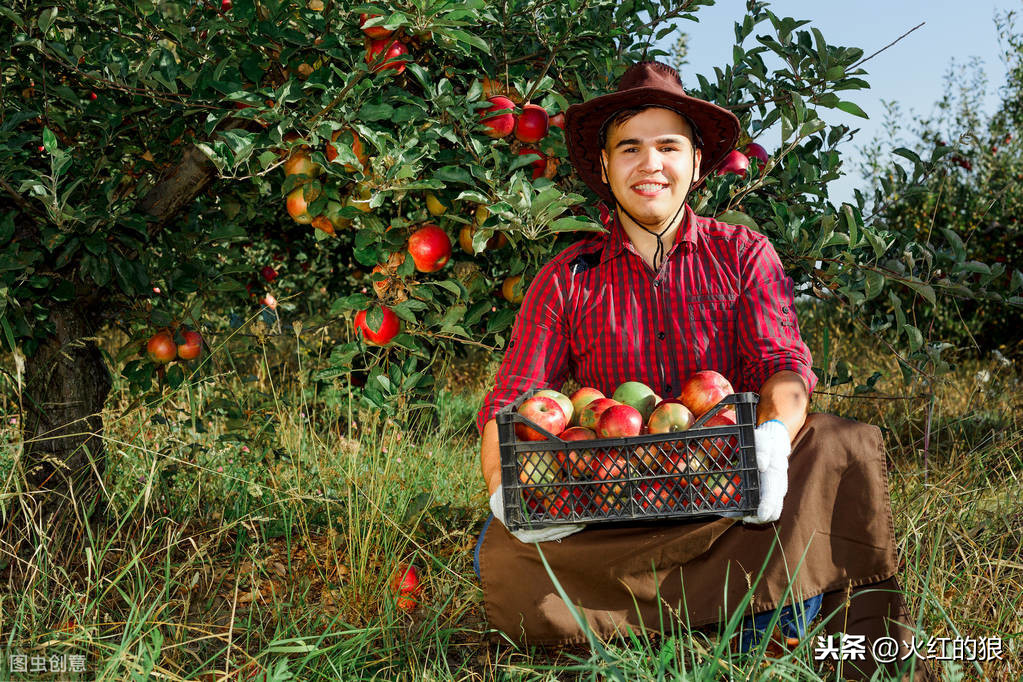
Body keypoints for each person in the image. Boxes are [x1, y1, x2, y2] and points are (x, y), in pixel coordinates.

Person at [473, 61, 936, 681]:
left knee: (835, 442)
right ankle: (730, 617)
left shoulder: (743, 255)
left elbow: (782, 365)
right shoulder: (567, 276)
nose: (650, 165)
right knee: (502, 549)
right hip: (614, 497)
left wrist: (770, 445)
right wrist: (510, 490)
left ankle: (760, 632)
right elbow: (513, 402)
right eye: (629, 148)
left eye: (668, 146)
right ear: (606, 167)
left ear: (695, 163)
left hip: (728, 488)